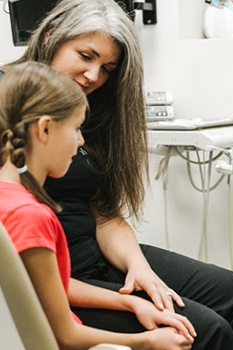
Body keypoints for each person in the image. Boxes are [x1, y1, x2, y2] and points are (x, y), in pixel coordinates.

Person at [4, 1, 233, 349]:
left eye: (107, 68)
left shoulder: (92, 103)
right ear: (53, 35)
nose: (93, 76)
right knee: (204, 330)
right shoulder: (8, 101)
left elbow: (105, 214)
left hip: (97, 259)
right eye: (85, 56)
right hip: (55, 270)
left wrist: (140, 268)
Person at [0, 61, 196, 349]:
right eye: (76, 129)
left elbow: (54, 287)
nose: (80, 141)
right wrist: (146, 342)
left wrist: (128, 302)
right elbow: (64, 337)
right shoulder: (30, 216)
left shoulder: (9, 199)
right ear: (44, 129)